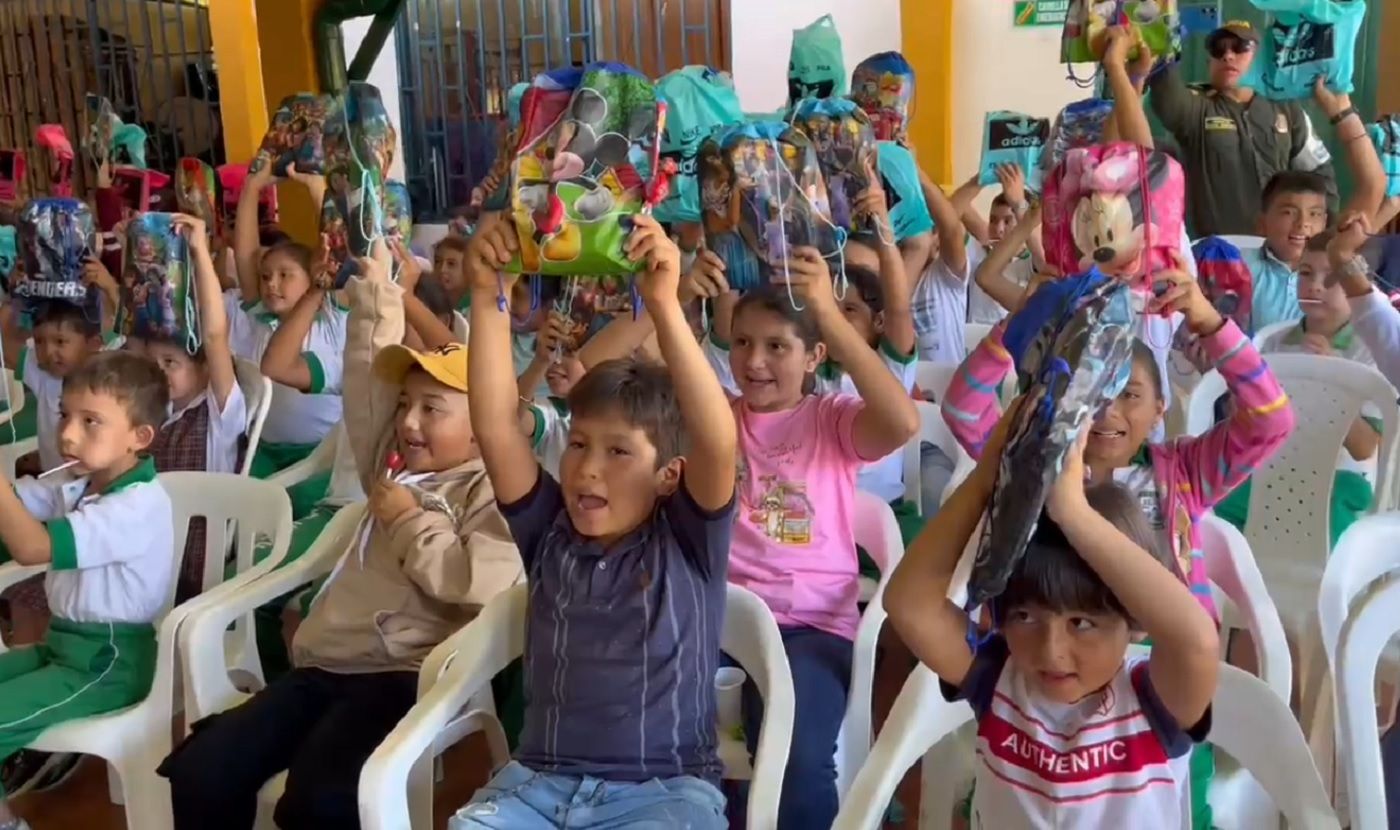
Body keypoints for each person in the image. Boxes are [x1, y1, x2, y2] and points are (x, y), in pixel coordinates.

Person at [159, 245, 523, 830]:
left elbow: (479, 583)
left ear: (482, 429)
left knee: (322, 800)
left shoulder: (494, 489)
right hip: (325, 664)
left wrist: (408, 520)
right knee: (203, 769)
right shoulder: (391, 467)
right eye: (406, 405)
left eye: (433, 409)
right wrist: (376, 293)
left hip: (405, 675)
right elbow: (367, 381)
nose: (408, 422)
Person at [454, 213, 736, 829]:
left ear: (669, 475)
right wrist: (487, 291)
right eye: (579, 445)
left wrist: (664, 304)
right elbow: (497, 426)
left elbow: (718, 442)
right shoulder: (548, 530)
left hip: (663, 791)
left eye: (619, 452)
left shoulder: (688, 541)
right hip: (535, 787)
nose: (586, 470)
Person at [884, 418, 1219, 828]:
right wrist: (987, 478)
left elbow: (1196, 640)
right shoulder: (997, 678)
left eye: (1082, 623)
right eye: (1025, 617)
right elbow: (908, 604)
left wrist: (1074, 515)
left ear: (1134, 619)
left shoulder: (1155, 702)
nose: (1051, 650)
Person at [724, 253, 918, 826]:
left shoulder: (830, 419)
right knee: (667, 739)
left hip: (810, 626)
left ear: (814, 356)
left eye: (776, 346)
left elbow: (903, 423)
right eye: (742, 342)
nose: (754, 361)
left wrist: (829, 315)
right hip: (720, 619)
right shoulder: (720, 417)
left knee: (799, 760)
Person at [0, 352, 174, 827]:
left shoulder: (135, 505)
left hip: (108, 663)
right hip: (62, 648)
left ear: (139, 437)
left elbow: (32, 546)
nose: (68, 434)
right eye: (65, 415)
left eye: (90, 421)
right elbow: (17, 505)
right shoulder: (79, 481)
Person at [136, 214, 247, 601]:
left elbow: (214, 335)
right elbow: (136, 334)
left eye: (171, 363)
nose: (159, 372)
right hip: (155, 548)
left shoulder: (220, 415)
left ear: (204, 369)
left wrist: (199, 251)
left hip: (198, 561)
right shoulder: (158, 410)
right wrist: (137, 261)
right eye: (154, 363)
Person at [1147, 21, 1337, 236]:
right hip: (1218, 248)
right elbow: (1167, 99)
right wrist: (1164, 50)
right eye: (1218, 50)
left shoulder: (1286, 107)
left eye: (1240, 47)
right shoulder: (1198, 107)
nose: (1228, 56)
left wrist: (1323, 234)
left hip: (1278, 247)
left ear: (1259, 58)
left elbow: (1319, 171)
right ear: (1209, 63)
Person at [1241, 79, 1387, 333]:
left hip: (1326, 359)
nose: (1303, 224)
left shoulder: (1339, 261)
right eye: (1288, 212)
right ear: (1262, 223)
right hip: (1262, 358)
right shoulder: (1240, 266)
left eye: (1315, 214)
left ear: (1326, 222)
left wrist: (1342, 112)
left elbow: (1373, 184)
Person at [231, 162, 345, 482]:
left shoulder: (330, 317)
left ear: (314, 276)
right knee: (245, 500)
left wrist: (316, 188)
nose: (271, 284)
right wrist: (252, 189)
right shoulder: (260, 317)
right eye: (266, 276)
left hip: (322, 452)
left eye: (285, 275)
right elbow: (245, 255)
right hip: (266, 451)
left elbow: (335, 246)